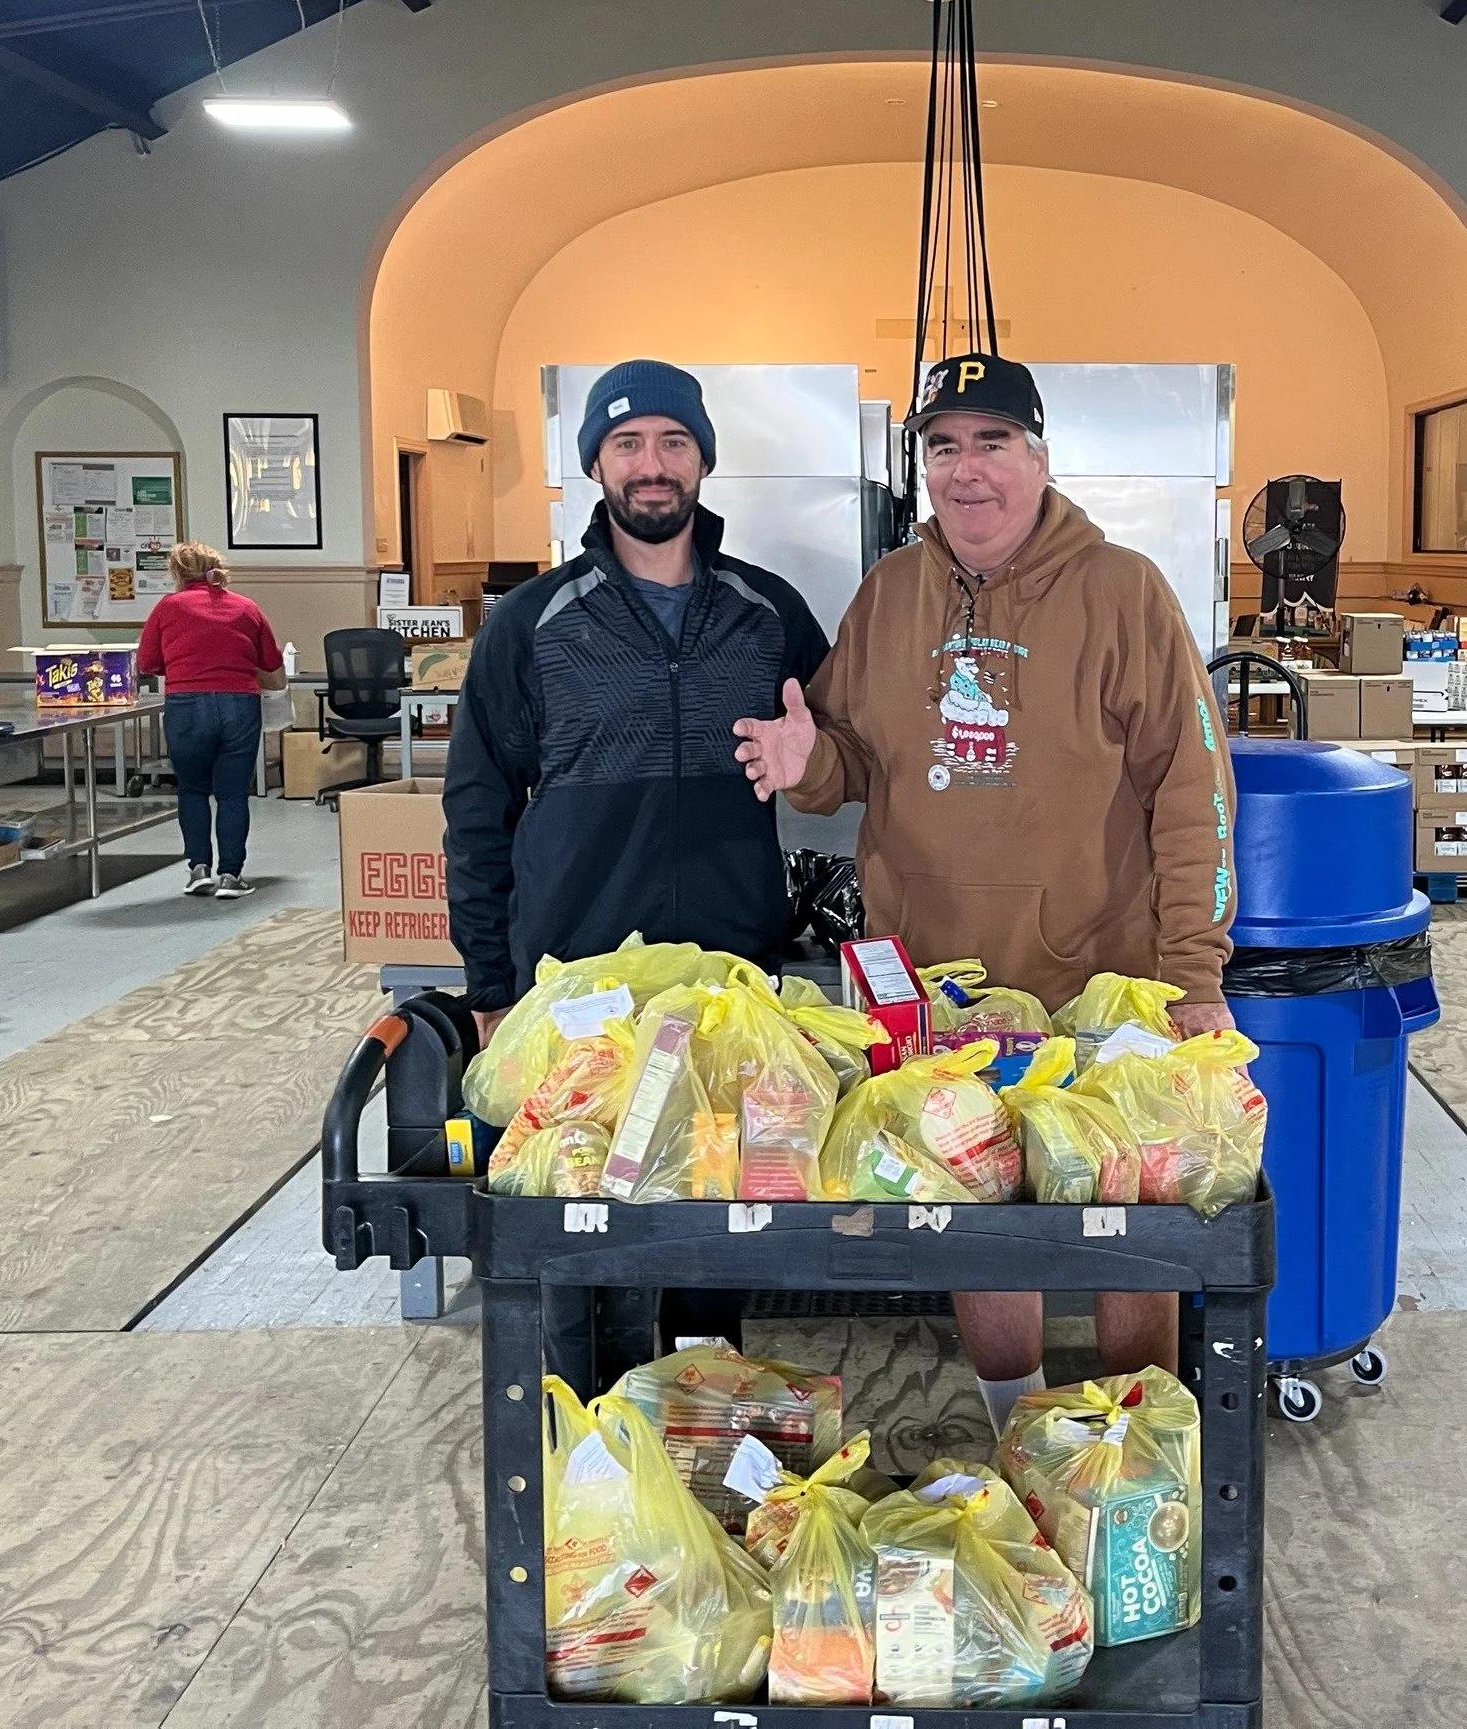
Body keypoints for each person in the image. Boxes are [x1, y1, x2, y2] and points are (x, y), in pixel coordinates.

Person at [734, 353, 1237, 1432]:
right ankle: (1019, 1428)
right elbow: (850, 757)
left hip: (1097, 983)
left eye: (993, 442)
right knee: (970, 1214)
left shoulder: (1124, 591)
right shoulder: (889, 593)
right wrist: (806, 763)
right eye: (944, 446)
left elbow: (1194, 793)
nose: (967, 470)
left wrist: (1195, 974)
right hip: (935, 991)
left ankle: (1133, 1439)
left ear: (1041, 457)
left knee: (1123, 1224)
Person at [444, 359, 829, 1382]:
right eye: (626, 444)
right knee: (577, 1212)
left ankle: (703, 1400)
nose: (651, 465)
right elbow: (477, 812)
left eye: (672, 442)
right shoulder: (532, 623)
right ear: (594, 466)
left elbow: (843, 749)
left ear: (702, 460)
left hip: (726, 979)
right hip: (579, 981)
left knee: (716, 1207)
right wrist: (491, 987)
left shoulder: (768, 613)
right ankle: (587, 1417)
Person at [136, 541, 287, 900]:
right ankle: (231, 876)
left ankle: (198, 870)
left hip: (186, 706)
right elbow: (271, 660)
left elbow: (147, 662)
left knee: (192, 790)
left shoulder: (168, 607)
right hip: (239, 704)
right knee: (233, 794)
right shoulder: (246, 607)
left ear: (178, 573)